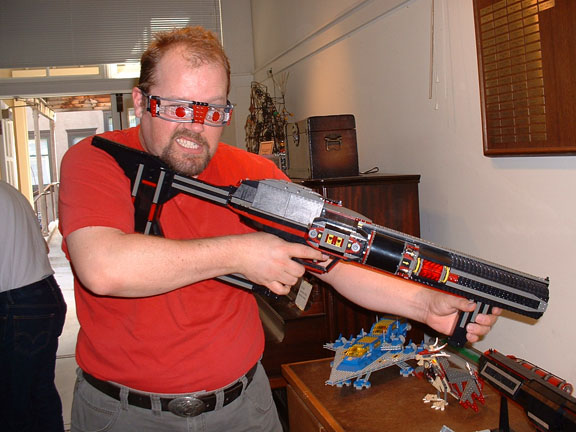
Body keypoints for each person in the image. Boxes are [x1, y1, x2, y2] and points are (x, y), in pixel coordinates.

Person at [58, 26, 501, 432]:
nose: (196, 126)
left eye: (214, 110)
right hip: (126, 414)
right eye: (177, 107)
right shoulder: (96, 159)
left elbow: (335, 261)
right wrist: (241, 253)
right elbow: (105, 268)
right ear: (140, 102)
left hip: (243, 408)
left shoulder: (254, 173)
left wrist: (424, 304)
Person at [0, 180, 67, 432]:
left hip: (17, 303)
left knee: (13, 403)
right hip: (44, 295)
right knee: (39, 392)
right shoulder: (8, 191)